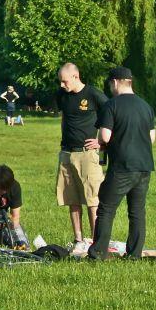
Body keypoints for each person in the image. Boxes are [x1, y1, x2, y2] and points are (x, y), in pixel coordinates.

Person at [88, 67, 156, 261]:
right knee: (137, 211)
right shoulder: (146, 106)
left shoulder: (111, 105)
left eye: (110, 84)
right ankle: (134, 253)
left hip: (122, 166)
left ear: (115, 82)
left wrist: (102, 143)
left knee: (106, 208)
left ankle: (98, 252)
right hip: (144, 165)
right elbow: (152, 138)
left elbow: (105, 136)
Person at [55, 62, 108, 250]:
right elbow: (64, 118)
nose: (62, 85)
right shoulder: (62, 94)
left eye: (64, 81)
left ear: (76, 76)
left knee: (92, 200)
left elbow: (111, 115)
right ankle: (78, 240)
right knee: (72, 198)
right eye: (60, 82)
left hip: (87, 154)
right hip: (66, 153)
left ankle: (95, 242)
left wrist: (101, 142)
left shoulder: (93, 94)